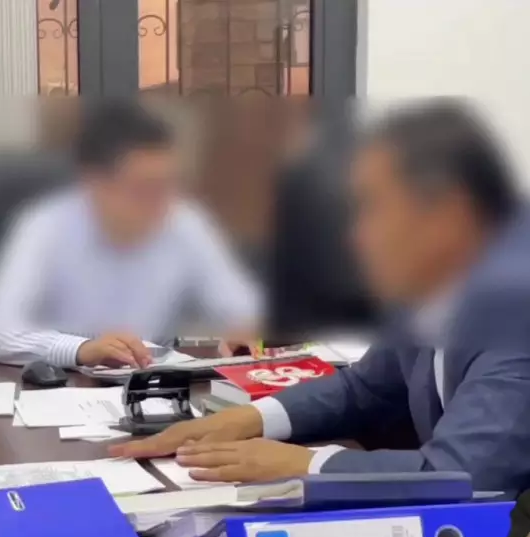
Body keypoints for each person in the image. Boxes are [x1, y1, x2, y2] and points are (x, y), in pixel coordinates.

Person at [113, 99, 530, 495]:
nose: (357, 236)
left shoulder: (513, 304)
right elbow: (365, 388)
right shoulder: (436, 279)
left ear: (447, 215)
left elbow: (465, 475)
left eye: (373, 207)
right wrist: (248, 419)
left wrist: (306, 464)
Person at [0, 100, 261, 368]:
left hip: (153, 384)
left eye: (168, 185)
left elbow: (240, 306)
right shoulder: (45, 226)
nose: (161, 203)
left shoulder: (183, 221)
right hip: (65, 387)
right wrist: (80, 349)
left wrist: (241, 331)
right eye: (144, 188)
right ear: (95, 184)